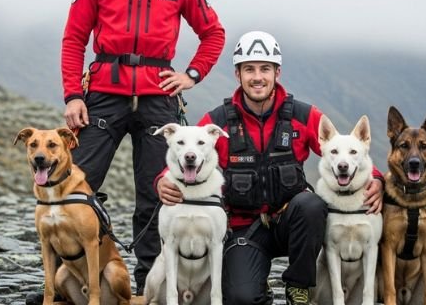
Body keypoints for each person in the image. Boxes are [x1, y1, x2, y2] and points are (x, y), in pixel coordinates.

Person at [57, 0, 226, 298]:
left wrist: (192, 75)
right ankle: (70, 281)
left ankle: (150, 286)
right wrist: (72, 95)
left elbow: (213, 33)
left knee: (156, 192)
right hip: (103, 94)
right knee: (77, 185)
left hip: (157, 95)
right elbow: (73, 38)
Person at [156, 31, 384, 305]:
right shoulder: (217, 121)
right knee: (241, 298)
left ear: (277, 72)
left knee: (311, 205)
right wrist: (162, 180)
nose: (257, 77)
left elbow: (345, 149)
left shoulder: (304, 115)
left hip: (291, 223)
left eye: (265, 69)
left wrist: (377, 180)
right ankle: (256, 285)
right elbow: (186, 149)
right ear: (237, 74)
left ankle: (298, 287)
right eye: (249, 69)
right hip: (243, 229)